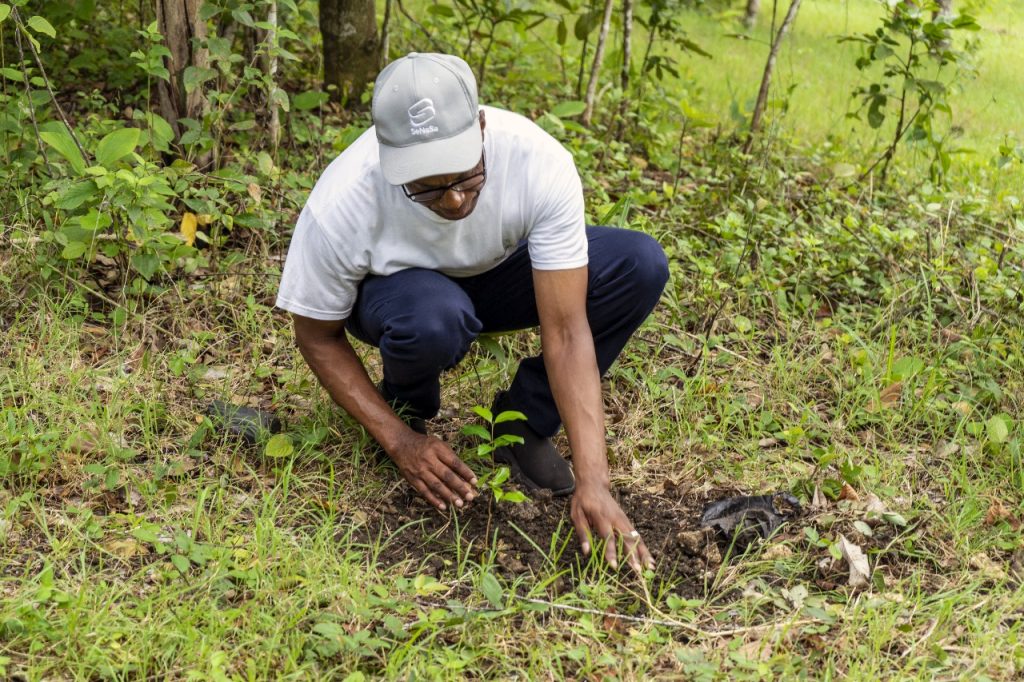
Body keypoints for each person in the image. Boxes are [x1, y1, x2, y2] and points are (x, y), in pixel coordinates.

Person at [276, 52, 668, 573]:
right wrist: (398, 440)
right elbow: (316, 335)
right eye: (428, 187)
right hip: (404, 299)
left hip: (499, 274)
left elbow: (568, 331)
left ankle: (522, 425)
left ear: (481, 125)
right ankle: (407, 408)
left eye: (467, 174)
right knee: (433, 316)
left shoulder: (535, 160)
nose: (457, 200)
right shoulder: (345, 199)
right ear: (390, 159)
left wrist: (594, 478)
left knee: (638, 264)